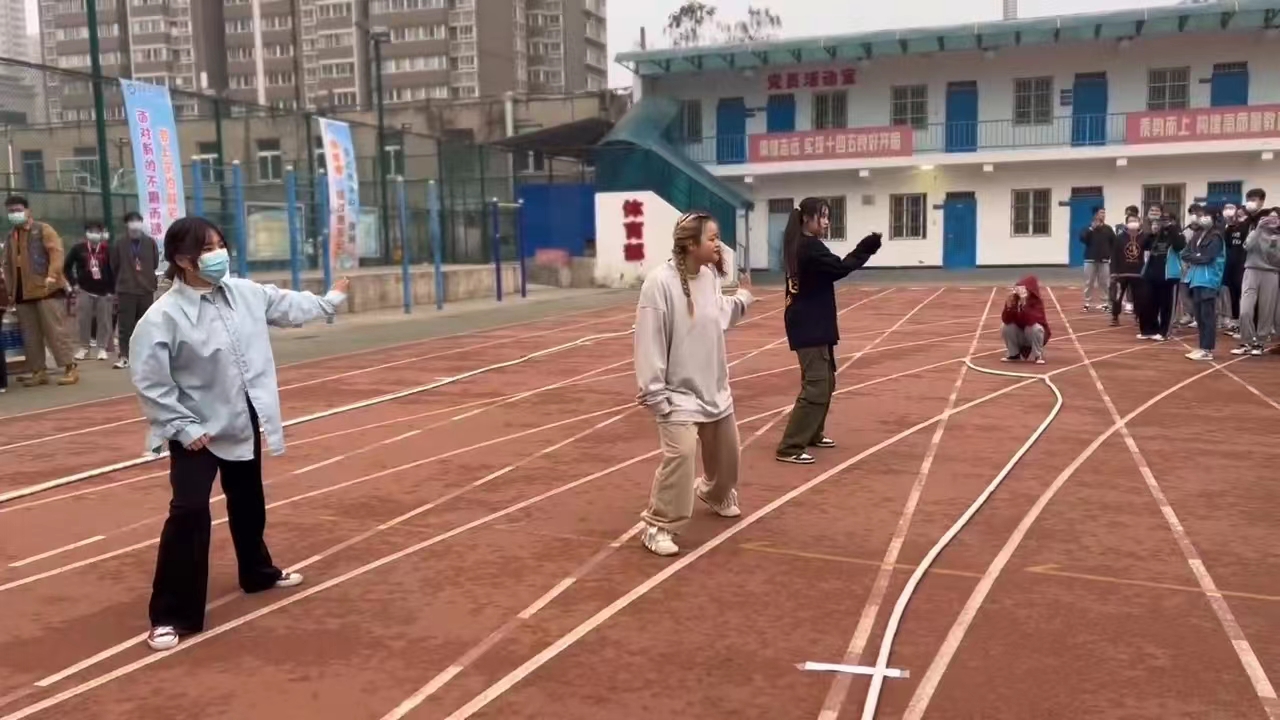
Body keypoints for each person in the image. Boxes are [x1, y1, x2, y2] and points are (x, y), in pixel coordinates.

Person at [131, 217, 349, 650]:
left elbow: (288, 305)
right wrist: (183, 427)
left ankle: (257, 571)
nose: (219, 255)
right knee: (189, 510)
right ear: (182, 260)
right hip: (196, 430)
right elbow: (151, 381)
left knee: (248, 499)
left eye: (220, 245)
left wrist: (331, 300)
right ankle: (170, 613)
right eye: (207, 249)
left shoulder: (246, 293)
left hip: (242, 416)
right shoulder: (162, 317)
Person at [633, 211, 754, 557]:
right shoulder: (659, 283)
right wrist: (656, 394)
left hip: (714, 389)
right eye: (712, 238)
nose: (718, 245)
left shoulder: (708, 277)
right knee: (681, 455)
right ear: (690, 244)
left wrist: (743, 298)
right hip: (676, 395)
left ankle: (714, 493)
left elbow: (716, 313)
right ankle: (658, 525)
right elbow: (649, 340)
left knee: (729, 458)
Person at [774, 198, 882, 465]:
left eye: (827, 217)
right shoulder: (808, 247)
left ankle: (812, 432)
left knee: (827, 382)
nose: (826, 222)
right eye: (821, 216)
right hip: (809, 324)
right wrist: (865, 249)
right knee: (817, 385)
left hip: (813, 322)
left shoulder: (801, 244)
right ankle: (790, 446)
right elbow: (838, 268)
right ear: (806, 218)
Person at [2, 195, 78, 386]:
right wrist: (10, 291)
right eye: (10, 211)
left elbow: (56, 253)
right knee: (30, 335)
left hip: (46, 290)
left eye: (18, 210)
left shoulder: (43, 229)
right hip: (22, 293)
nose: (14, 214)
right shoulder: (11, 236)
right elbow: (7, 264)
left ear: (28, 211)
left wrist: (52, 276)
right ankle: (39, 371)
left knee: (56, 332)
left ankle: (70, 367)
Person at [111, 211, 161, 369]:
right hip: (127, 289)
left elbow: (155, 263)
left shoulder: (150, 242)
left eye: (138, 220)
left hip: (146, 289)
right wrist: (125, 278)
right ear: (126, 224)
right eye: (131, 220)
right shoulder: (119, 243)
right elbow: (114, 265)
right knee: (126, 326)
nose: (135, 223)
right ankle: (125, 356)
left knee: (145, 324)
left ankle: (144, 355)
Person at [64, 220, 117, 362]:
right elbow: (67, 267)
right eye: (91, 231)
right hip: (84, 289)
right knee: (83, 319)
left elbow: (114, 270)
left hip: (104, 291)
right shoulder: (78, 249)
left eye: (97, 232)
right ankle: (84, 348)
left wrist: (112, 290)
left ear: (101, 233)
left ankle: (102, 348)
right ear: (86, 233)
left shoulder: (108, 250)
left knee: (104, 320)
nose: (94, 234)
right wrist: (74, 283)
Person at [1180, 206, 1225, 360]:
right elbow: (1184, 253)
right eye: (1202, 215)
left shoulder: (1216, 237)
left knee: (1207, 316)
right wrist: (1197, 255)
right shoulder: (1197, 234)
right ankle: (1202, 347)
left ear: (1214, 218)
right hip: (1195, 279)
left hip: (1209, 280)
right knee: (1199, 317)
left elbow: (1207, 258)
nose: (1203, 218)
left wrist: (1196, 256)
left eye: (1207, 215)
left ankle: (1207, 349)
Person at [1233, 209, 1280, 356]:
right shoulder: (1255, 232)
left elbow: (1276, 260)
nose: (1272, 221)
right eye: (1269, 218)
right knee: (1245, 309)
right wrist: (1258, 229)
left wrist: (1273, 245)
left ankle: (1260, 342)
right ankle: (1246, 341)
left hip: (1271, 273)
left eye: (1276, 218)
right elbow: (1247, 246)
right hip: (1251, 271)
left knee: (1266, 310)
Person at [1140, 213, 1184, 341]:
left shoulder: (1176, 234)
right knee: (1149, 303)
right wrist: (1151, 232)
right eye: (1160, 221)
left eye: (1166, 220)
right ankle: (1149, 330)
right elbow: (1143, 245)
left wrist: (1171, 229)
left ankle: (1164, 331)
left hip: (1169, 275)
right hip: (1152, 274)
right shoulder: (1155, 236)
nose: (1162, 223)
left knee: (1167, 305)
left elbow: (1179, 246)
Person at [1000, 275, 1051, 364]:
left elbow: (1030, 321)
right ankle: (1013, 354)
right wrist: (1009, 307)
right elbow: (1006, 319)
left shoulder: (1036, 302)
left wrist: (1024, 305)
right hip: (1020, 334)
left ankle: (1037, 355)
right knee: (1006, 326)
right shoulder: (1014, 299)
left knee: (1035, 328)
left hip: (1032, 335)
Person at [1109, 213, 1146, 328]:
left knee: (1139, 297)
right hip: (1122, 273)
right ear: (1126, 223)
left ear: (1139, 222)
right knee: (1117, 296)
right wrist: (1113, 272)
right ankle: (1115, 316)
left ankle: (1138, 317)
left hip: (1139, 273)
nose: (1133, 223)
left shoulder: (1145, 237)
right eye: (1130, 221)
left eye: (1135, 220)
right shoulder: (1120, 237)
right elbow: (1114, 255)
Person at [1079, 206, 1114, 312]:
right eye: (1101, 213)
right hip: (1090, 259)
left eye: (1104, 213)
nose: (1103, 215)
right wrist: (1091, 229)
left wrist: (1110, 255)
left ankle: (1105, 303)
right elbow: (1083, 239)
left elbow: (1114, 242)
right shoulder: (1088, 228)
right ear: (1095, 215)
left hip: (1104, 260)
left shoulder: (1108, 229)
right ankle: (1087, 303)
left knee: (1104, 282)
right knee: (1089, 282)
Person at [1220, 202, 1247, 335]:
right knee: (1233, 295)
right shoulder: (1230, 229)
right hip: (1231, 266)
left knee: (1243, 296)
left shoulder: (1247, 228)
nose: (1239, 219)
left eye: (1242, 216)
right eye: (1238, 216)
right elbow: (1226, 242)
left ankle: (1245, 325)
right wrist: (1229, 225)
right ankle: (1235, 322)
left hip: (1243, 267)